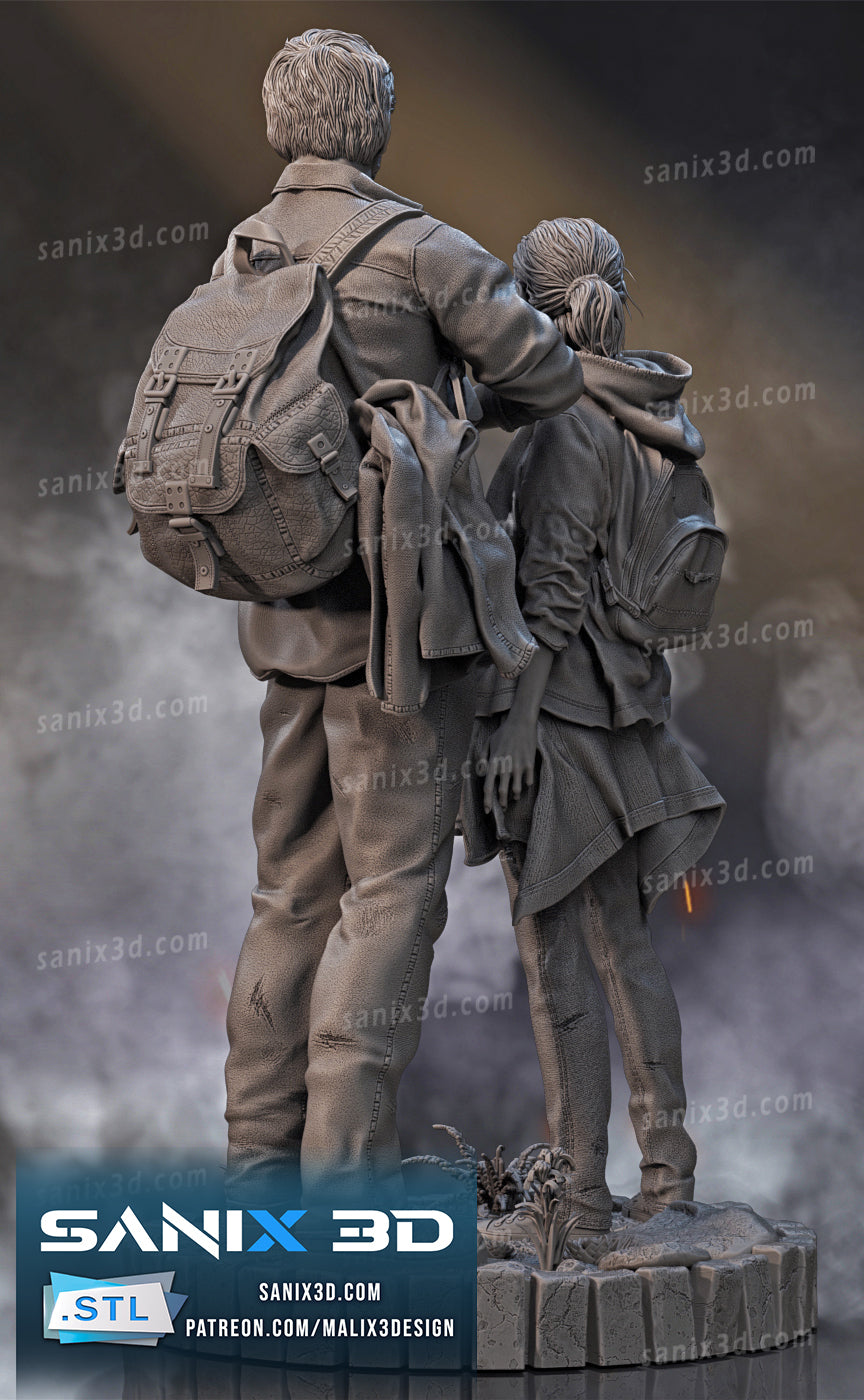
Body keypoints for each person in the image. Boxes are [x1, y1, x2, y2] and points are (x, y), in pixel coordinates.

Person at [223, 31, 585, 1204]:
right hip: (404, 638)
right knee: (389, 899)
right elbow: (551, 376)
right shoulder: (424, 249)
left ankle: (258, 1179)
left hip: (286, 628)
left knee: (287, 895)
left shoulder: (242, 250)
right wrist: (448, 405)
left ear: (282, 125)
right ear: (373, 123)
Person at [461, 217, 725, 1232]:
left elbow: (555, 593)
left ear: (531, 310)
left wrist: (513, 726)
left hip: (561, 723)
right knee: (627, 948)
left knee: (557, 959)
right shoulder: (652, 410)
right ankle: (668, 1175)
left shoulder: (568, 422)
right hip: (628, 712)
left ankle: (575, 1198)